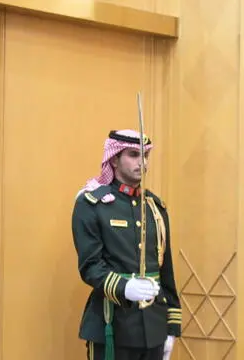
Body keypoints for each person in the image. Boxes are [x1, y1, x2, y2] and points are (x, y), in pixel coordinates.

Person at [72, 129, 181, 360]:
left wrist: (171, 328)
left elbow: (166, 270)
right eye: (133, 155)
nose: (142, 162)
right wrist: (124, 287)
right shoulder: (92, 204)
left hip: (154, 327)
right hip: (112, 323)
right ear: (114, 158)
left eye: (145, 156)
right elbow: (90, 266)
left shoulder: (155, 207)